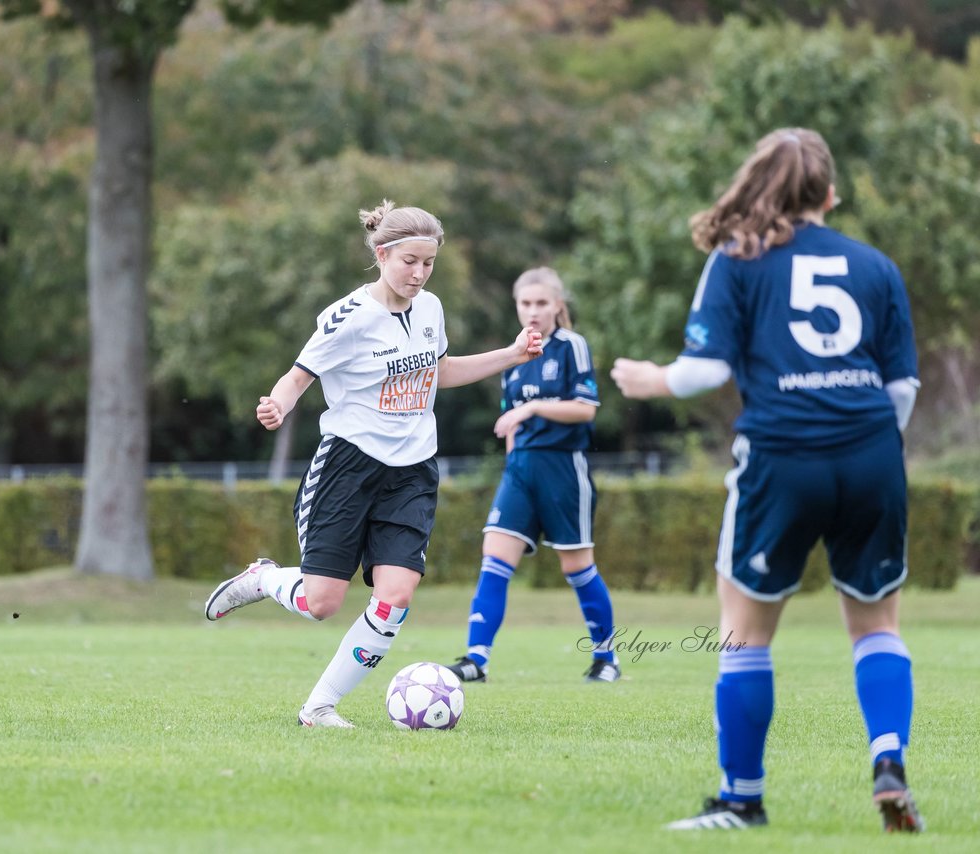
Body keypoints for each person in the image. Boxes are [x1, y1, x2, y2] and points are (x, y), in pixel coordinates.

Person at [610, 128, 922, 832]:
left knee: (744, 635)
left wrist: (647, 378)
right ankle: (888, 756)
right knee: (876, 624)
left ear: (756, 185)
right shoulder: (876, 266)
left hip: (782, 455)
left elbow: (705, 371)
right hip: (873, 452)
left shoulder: (738, 259)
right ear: (831, 193)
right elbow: (902, 387)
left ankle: (742, 800)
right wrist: (863, 445)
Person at [203, 199, 543, 728]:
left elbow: (439, 372)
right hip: (348, 466)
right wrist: (277, 404)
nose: (420, 273)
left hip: (412, 472)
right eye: (410, 260)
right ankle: (264, 578)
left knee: (396, 595)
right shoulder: (348, 317)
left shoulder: (430, 309)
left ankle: (319, 707)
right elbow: (298, 376)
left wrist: (512, 354)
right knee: (322, 603)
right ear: (382, 254)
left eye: (429, 263)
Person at [442, 267, 620, 685]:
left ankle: (606, 658)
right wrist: (512, 456)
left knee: (577, 568)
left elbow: (586, 409)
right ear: (517, 306)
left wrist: (532, 408)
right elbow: (510, 424)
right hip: (520, 470)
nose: (534, 311)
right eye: (526, 303)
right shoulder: (515, 358)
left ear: (558, 304)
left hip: (562, 467)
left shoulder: (571, 346)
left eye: (542, 303)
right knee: (493, 557)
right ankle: (475, 660)